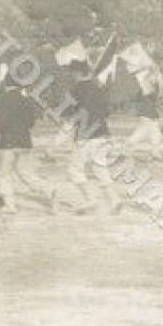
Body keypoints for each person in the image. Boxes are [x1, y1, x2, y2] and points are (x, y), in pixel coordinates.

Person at [53, 60, 121, 214]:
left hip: (85, 135)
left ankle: (90, 199)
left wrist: (57, 141)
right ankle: (115, 199)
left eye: (72, 73)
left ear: (76, 73)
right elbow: (106, 112)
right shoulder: (98, 88)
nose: (71, 75)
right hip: (103, 133)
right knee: (100, 169)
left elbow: (72, 117)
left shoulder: (76, 90)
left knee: (74, 170)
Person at [0, 79, 48, 213]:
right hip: (25, 142)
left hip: (8, 142)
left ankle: (10, 205)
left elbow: (2, 122)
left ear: (6, 86)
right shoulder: (26, 100)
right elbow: (31, 122)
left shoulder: (4, 99)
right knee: (25, 173)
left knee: (3, 174)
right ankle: (49, 189)